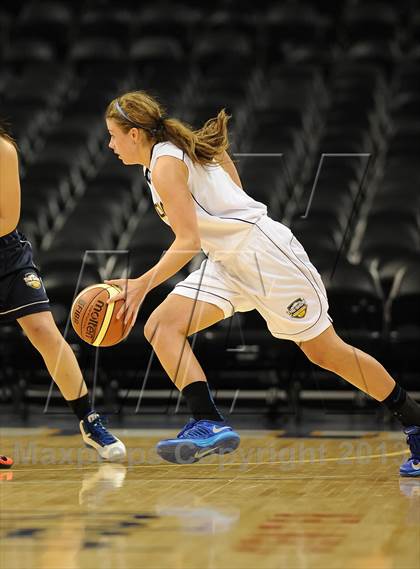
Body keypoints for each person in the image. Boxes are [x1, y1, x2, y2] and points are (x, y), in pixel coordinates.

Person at [104, 91, 420, 474]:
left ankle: (414, 420)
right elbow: (224, 173)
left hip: (266, 258)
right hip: (226, 261)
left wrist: (141, 283)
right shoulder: (163, 157)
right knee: (161, 326)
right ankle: (209, 420)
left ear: (135, 134)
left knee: (325, 352)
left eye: (114, 136)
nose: (110, 145)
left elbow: (187, 242)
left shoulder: (168, 162)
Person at [0, 121, 126, 463]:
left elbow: (6, 220)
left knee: (44, 331)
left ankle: (89, 421)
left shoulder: (3, 149)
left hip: (5, 255)